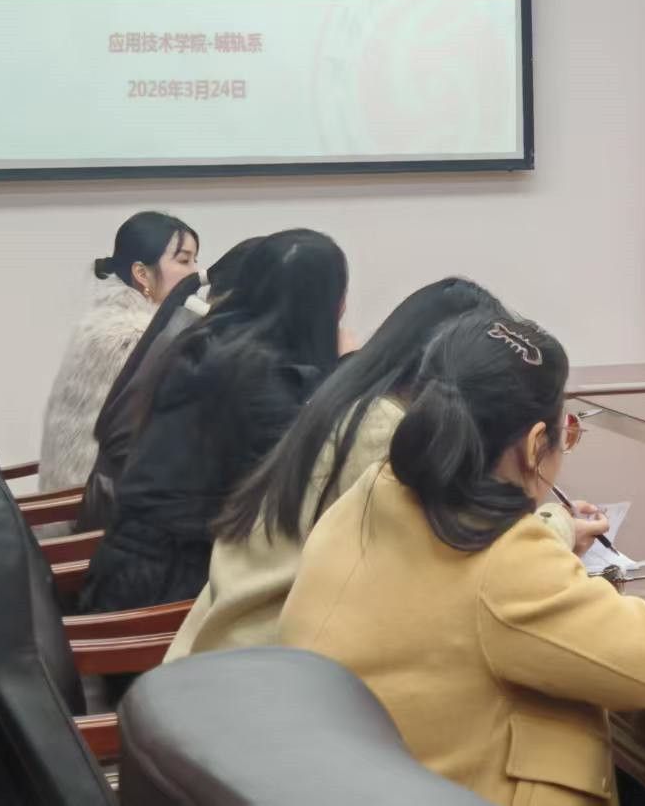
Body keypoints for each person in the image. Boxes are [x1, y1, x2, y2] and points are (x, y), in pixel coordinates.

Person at [278, 314, 645, 806]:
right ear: (534, 445)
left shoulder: (376, 488)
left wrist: (552, 530)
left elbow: (471, 584)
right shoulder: (504, 564)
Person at [168, 276, 519, 659]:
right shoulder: (386, 430)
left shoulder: (349, 399)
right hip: (264, 663)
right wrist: (546, 518)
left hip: (227, 647)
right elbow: (446, 563)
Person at [80, 229, 347, 613]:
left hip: (128, 576)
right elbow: (301, 495)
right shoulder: (263, 380)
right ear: (326, 306)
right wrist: (348, 370)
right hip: (175, 601)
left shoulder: (205, 344)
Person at [76, 237, 266, 533]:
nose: (194, 269)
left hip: (124, 517)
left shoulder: (185, 328)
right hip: (133, 528)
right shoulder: (200, 352)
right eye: (183, 259)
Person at [38, 212, 199, 493]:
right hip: (96, 502)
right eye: (184, 261)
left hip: (83, 491)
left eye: (195, 260)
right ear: (141, 274)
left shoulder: (105, 320)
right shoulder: (134, 336)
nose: (196, 272)